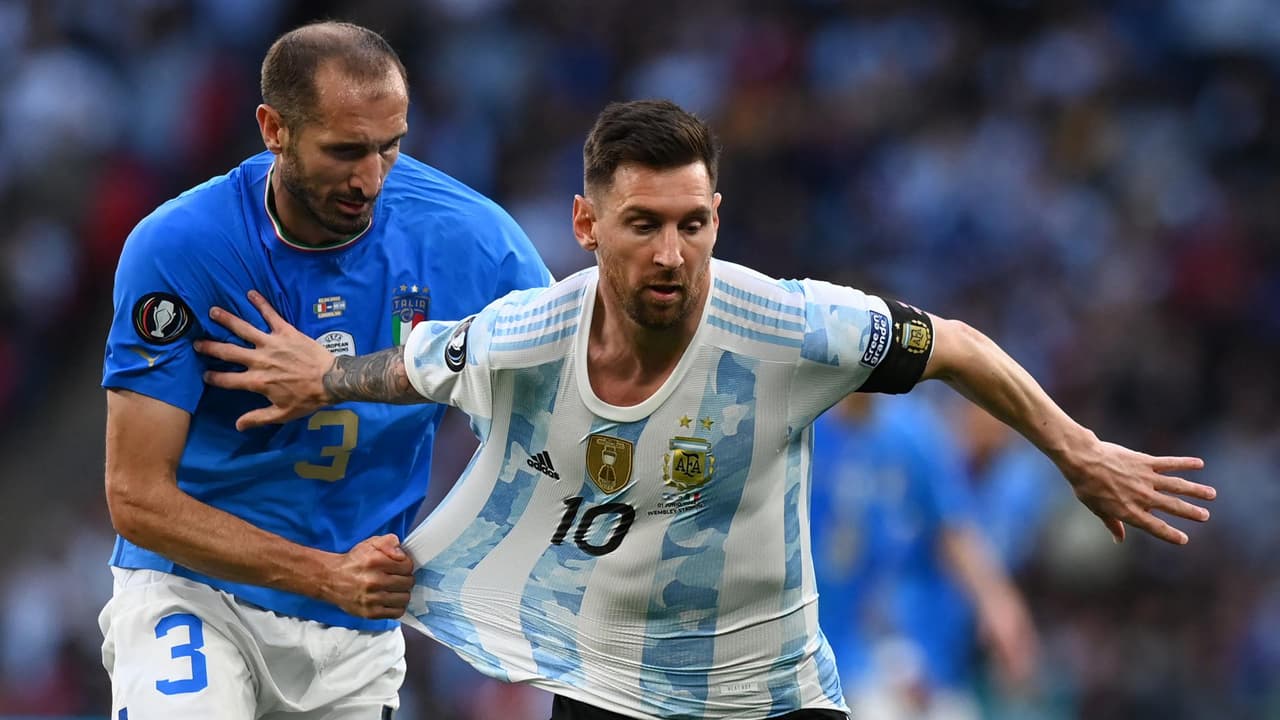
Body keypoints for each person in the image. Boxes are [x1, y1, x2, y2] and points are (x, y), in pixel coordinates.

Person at [197, 99, 1214, 720]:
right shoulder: (526, 333)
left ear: (717, 218)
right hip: (608, 686)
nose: (672, 253)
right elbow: (415, 366)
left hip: (770, 695)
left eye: (693, 223)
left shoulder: (788, 326)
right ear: (587, 224)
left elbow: (952, 344)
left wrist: (1077, 451)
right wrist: (322, 376)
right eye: (642, 224)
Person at [98, 21, 550, 720]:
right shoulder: (182, 247)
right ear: (273, 129)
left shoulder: (474, 242)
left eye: (390, 146)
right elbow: (135, 496)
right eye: (345, 150)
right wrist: (325, 575)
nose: (370, 179)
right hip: (195, 594)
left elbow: (561, 394)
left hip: (354, 633)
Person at [809, 393, 1038, 720]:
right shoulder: (802, 421)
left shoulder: (912, 431)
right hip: (817, 635)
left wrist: (999, 604)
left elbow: (951, 526)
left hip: (899, 651)